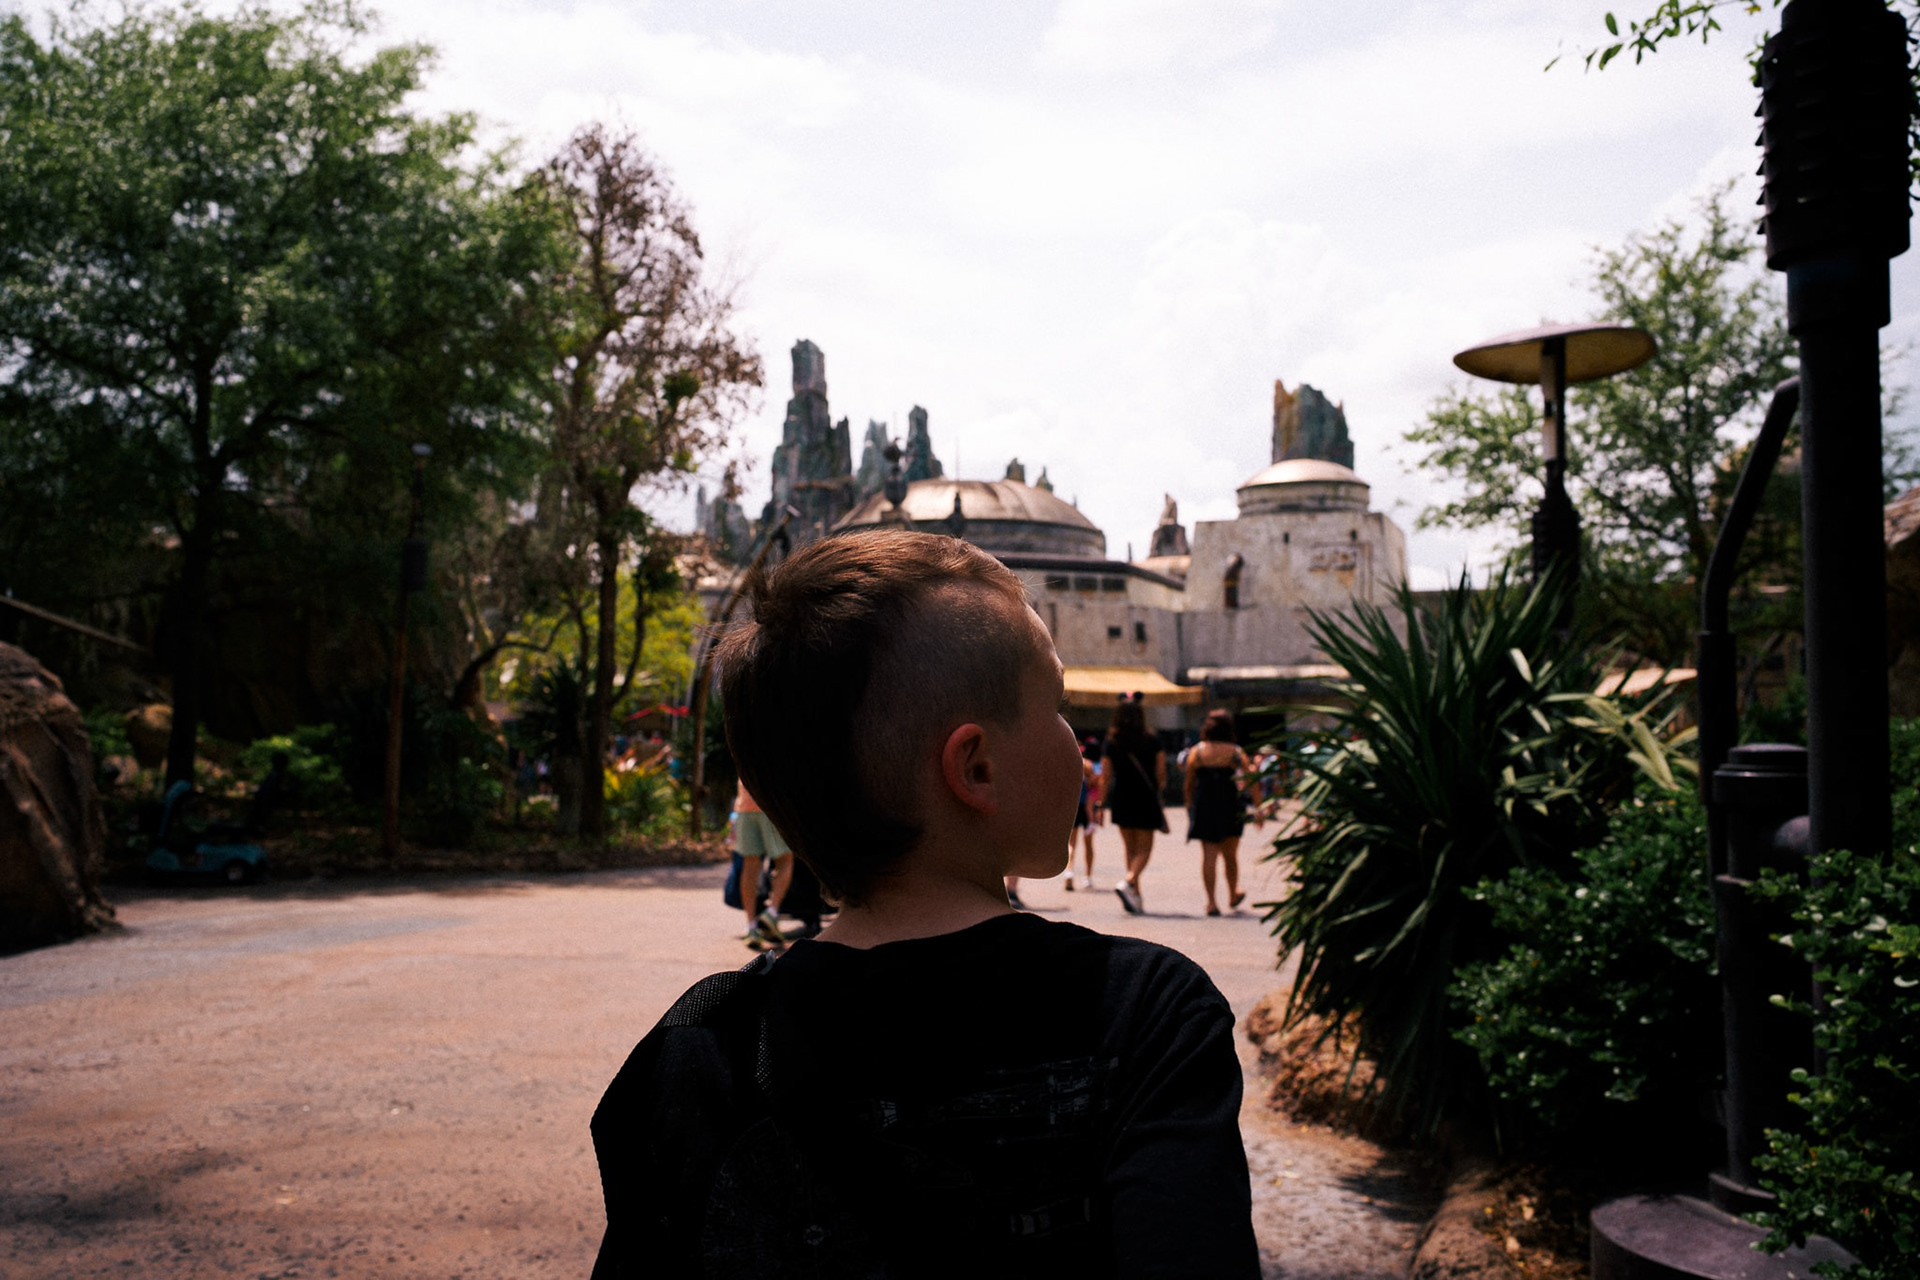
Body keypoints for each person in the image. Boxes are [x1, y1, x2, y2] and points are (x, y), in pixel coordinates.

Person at [589, 530, 1257, 1279]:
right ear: (977, 768)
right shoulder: (1144, 1013)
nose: (1076, 742)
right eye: (1058, 704)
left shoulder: (701, 1047)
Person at [1102, 693, 1165, 916]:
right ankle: (1129, 882)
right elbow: (1161, 773)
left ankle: (1135, 895)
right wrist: (1159, 791)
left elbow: (1106, 776)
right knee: (1145, 849)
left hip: (1121, 797)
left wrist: (1100, 802)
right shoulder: (1152, 739)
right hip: (1145, 797)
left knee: (1130, 848)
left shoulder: (1112, 741)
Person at [1183, 709, 1251, 916]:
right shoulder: (1236, 752)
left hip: (1205, 806)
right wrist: (1259, 805)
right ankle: (1232, 894)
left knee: (1209, 856)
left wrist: (1189, 806)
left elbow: (1189, 783)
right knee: (1231, 855)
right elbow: (1251, 779)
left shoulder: (1197, 752)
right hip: (1231, 805)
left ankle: (1211, 902)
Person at [733, 778, 793, 951]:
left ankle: (751, 927)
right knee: (785, 860)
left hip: (745, 804)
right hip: (772, 804)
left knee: (750, 866)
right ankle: (771, 912)